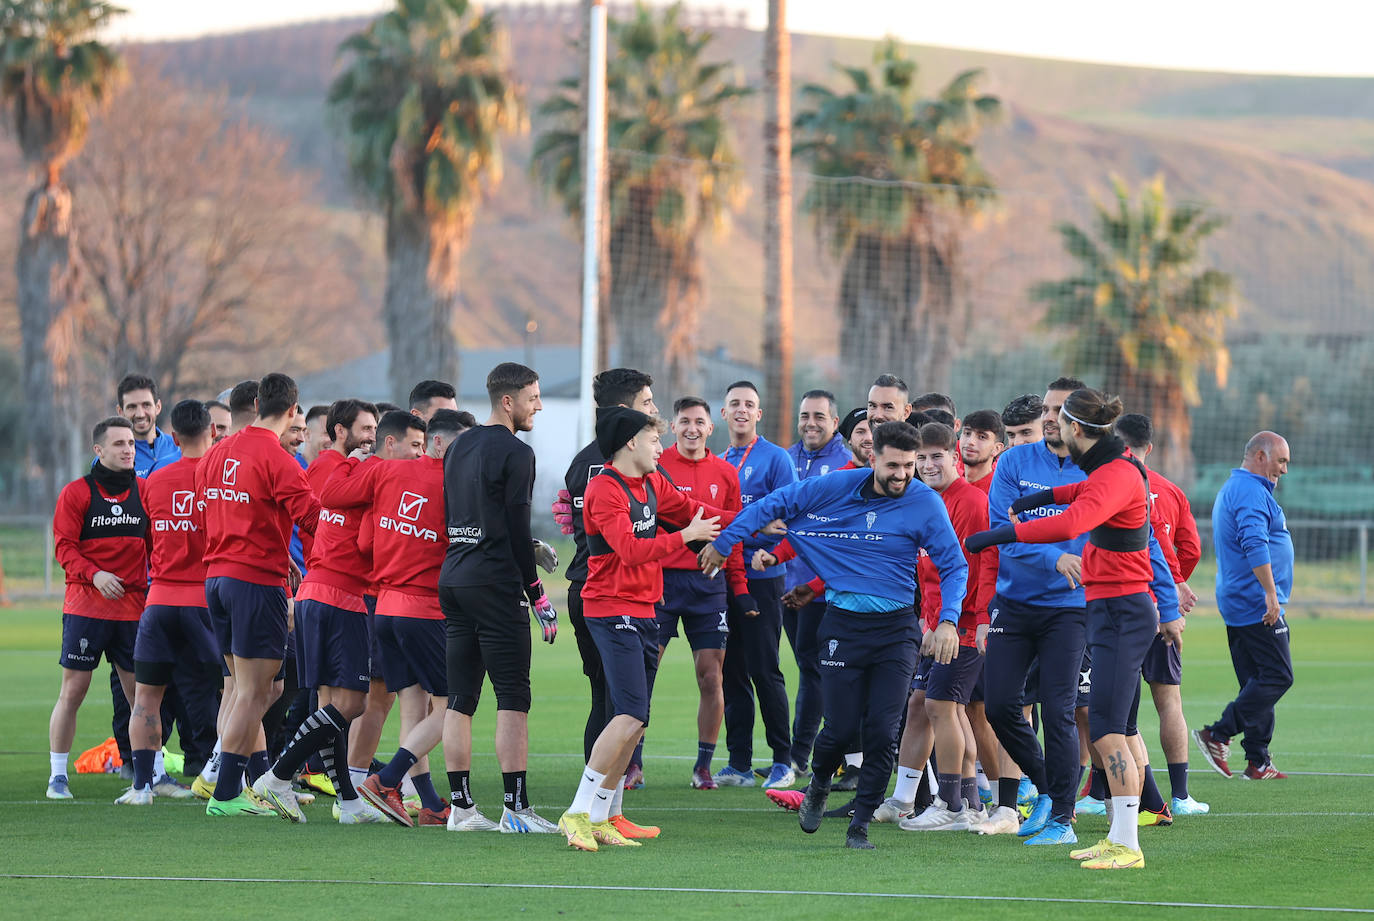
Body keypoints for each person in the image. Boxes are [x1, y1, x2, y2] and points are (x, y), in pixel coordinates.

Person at [701, 421, 968, 850]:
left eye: (910, 465)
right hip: (842, 625)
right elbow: (774, 504)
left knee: (882, 732)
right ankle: (820, 783)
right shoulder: (836, 486)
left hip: (897, 630)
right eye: (893, 465)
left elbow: (955, 565)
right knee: (840, 730)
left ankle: (859, 826)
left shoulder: (925, 503)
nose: (903, 474)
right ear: (873, 458)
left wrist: (949, 620)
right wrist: (724, 542)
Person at [966, 387, 1183, 870]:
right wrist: (1034, 499)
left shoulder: (1117, 473)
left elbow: (1071, 523)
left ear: (1076, 429)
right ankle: (1118, 835)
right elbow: (1070, 495)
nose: (1051, 424)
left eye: (1058, 417)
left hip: (1120, 612)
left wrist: (1002, 532)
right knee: (1106, 728)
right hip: (1105, 609)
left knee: (1106, 729)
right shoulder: (1104, 469)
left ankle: (1124, 843)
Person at [558, 408, 728, 851]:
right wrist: (686, 535)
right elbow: (631, 550)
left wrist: (755, 519)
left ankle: (605, 815)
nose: (660, 447)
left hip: (645, 608)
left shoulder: (652, 482)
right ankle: (577, 811)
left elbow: (695, 511)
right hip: (610, 609)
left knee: (636, 718)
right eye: (654, 439)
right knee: (630, 713)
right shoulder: (603, 489)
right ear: (631, 442)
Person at [322, 410, 469, 828]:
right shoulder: (453, 484)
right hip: (424, 609)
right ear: (440, 443)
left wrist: (352, 460)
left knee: (412, 709)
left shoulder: (386, 471)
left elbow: (337, 503)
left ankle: (429, 803)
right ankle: (386, 780)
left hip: (384, 607)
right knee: (454, 705)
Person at [440, 362, 559, 833]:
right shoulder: (517, 452)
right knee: (512, 697)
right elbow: (513, 524)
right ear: (508, 402)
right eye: (533, 397)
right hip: (495, 585)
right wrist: (537, 594)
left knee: (460, 697)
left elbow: (464, 515)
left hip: (454, 578)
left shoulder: (458, 445)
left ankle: (462, 809)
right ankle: (516, 810)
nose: (539, 406)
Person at [248, 398, 381, 824]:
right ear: (339, 431)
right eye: (365, 429)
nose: (371, 438)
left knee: (329, 705)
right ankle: (277, 776)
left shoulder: (339, 469)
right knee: (351, 704)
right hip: (337, 595)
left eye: (375, 430)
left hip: (321, 591)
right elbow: (349, 533)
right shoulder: (335, 468)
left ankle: (349, 803)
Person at [198, 373, 321, 817]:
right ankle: (226, 793)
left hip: (218, 579)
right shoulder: (278, 458)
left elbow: (215, 510)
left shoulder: (217, 452)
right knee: (255, 692)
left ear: (254, 404)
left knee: (248, 689)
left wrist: (274, 551)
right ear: (292, 410)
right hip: (254, 583)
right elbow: (313, 519)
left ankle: (244, 782)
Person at [974, 378, 1088, 842]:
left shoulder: (1096, 470)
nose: (1050, 417)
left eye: (1060, 410)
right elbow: (1003, 532)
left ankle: (1062, 818)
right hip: (1014, 605)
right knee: (1000, 705)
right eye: (1047, 409)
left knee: (1059, 712)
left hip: (1069, 609)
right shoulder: (1014, 462)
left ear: (1080, 420)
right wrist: (1054, 556)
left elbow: (1102, 534)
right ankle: (1048, 788)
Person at [554, 368, 660, 787]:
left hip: (587, 587)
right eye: (646, 403)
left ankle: (604, 794)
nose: (653, 410)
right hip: (614, 591)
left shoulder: (581, 462)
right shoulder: (629, 468)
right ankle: (596, 796)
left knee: (605, 698)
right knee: (625, 704)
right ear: (623, 413)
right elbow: (647, 530)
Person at [888, 423, 994, 832]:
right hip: (937, 625)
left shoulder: (969, 502)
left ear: (955, 457)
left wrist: (959, 621)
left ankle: (950, 804)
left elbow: (973, 570)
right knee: (932, 706)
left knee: (941, 707)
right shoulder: (926, 500)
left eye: (937, 456)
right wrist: (926, 619)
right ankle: (965, 803)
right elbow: (927, 571)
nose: (928, 465)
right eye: (921, 458)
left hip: (962, 627)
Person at [117, 400, 221, 805]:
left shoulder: (154, 481)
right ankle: (227, 777)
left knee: (146, 697)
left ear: (173, 437)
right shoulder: (219, 480)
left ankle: (142, 787)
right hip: (205, 601)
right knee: (234, 693)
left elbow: (147, 538)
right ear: (213, 431)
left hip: (158, 601)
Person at [47, 417, 150, 800]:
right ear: (99, 450)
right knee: (73, 691)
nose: (128, 449)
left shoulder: (145, 491)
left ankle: (149, 775)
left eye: (131, 443)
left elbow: (158, 546)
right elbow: (64, 548)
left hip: (133, 610)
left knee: (141, 696)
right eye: (119, 443)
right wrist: (95, 574)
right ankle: (58, 777)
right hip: (86, 608)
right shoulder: (77, 493)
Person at [1112, 413, 1209, 817]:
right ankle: (1181, 796)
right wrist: (1174, 587)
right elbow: (1189, 548)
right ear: (1148, 448)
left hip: (1120, 605)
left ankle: (1103, 793)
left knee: (1112, 708)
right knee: (1168, 701)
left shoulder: (1107, 483)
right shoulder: (1169, 490)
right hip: (1159, 611)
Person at [655, 397, 751, 789]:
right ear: (672, 427)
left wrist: (739, 587)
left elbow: (735, 534)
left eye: (699, 422)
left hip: (708, 585)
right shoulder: (657, 466)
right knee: (643, 672)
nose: (692, 428)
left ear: (711, 428)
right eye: (684, 421)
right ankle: (633, 764)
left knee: (711, 677)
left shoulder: (726, 473)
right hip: (662, 582)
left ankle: (703, 767)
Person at [1194, 431, 1294, 782]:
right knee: (1278, 675)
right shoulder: (1250, 491)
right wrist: (1270, 593)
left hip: (1239, 600)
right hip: (1255, 602)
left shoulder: (1237, 488)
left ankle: (1258, 760)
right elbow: (1254, 542)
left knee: (1256, 680)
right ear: (1261, 457)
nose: (1284, 470)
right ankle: (1218, 733)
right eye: (1281, 461)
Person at [716, 380, 797, 790]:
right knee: (731, 672)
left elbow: (786, 521)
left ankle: (783, 760)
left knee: (765, 668)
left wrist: (755, 541)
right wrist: (752, 527)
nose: (742, 410)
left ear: (759, 414)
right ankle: (739, 763)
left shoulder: (775, 458)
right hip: (723, 579)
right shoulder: (717, 461)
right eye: (735, 404)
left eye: (749, 404)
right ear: (724, 413)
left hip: (762, 577)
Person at [346, 411, 428, 795]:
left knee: (392, 698)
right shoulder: (380, 474)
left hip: (377, 598)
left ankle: (404, 787)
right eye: (416, 445)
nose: (422, 453)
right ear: (391, 442)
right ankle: (356, 787)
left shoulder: (371, 472)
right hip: (377, 596)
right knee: (377, 698)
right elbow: (366, 542)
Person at [781, 390, 850, 777]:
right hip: (786, 583)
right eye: (805, 415)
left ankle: (806, 755)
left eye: (819, 416)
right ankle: (809, 755)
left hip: (823, 589)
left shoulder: (845, 463)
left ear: (834, 422)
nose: (810, 423)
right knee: (808, 668)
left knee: (819, 670)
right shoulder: (787, 459)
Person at [960, 410, 1005, 494]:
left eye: (982, 437)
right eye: (967, 433)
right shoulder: (948, 484)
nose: (970, 441)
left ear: (997, 449)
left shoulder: (1000, 492)